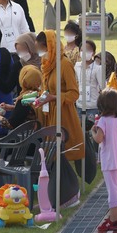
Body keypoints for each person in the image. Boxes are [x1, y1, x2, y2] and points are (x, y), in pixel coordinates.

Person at [35, 30, 84, 161]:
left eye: (41, 48)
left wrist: (54, 97)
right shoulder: (47, 64)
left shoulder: (65, 64)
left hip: (63, 114)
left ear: (49, 46)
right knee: (50, 155)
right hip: (49, 113)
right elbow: (46, 89)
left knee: (62, 154)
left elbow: (74, 93)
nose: (40, 52)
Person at [92, 88, 117, 232]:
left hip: (109, 162)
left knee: (112, 191)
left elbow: (99, 138)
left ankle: (113, 221)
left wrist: (93, 132)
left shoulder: (103, 121)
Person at [0, 65, 42, 130]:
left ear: (22, 80)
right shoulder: (39, 94)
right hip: (40, 135)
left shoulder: (25, 100)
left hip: (25, 138)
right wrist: (13, 107)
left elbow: (10, 125)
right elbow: (29, 111)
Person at [75, 40, 105, 125]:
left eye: (87, 50)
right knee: (80, 132)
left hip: (93, 106)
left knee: (91, 132)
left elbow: (103, 87)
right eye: (82, 50)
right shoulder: (77, 66)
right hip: (79, 105)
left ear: (93, 52)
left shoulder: (98, 68)